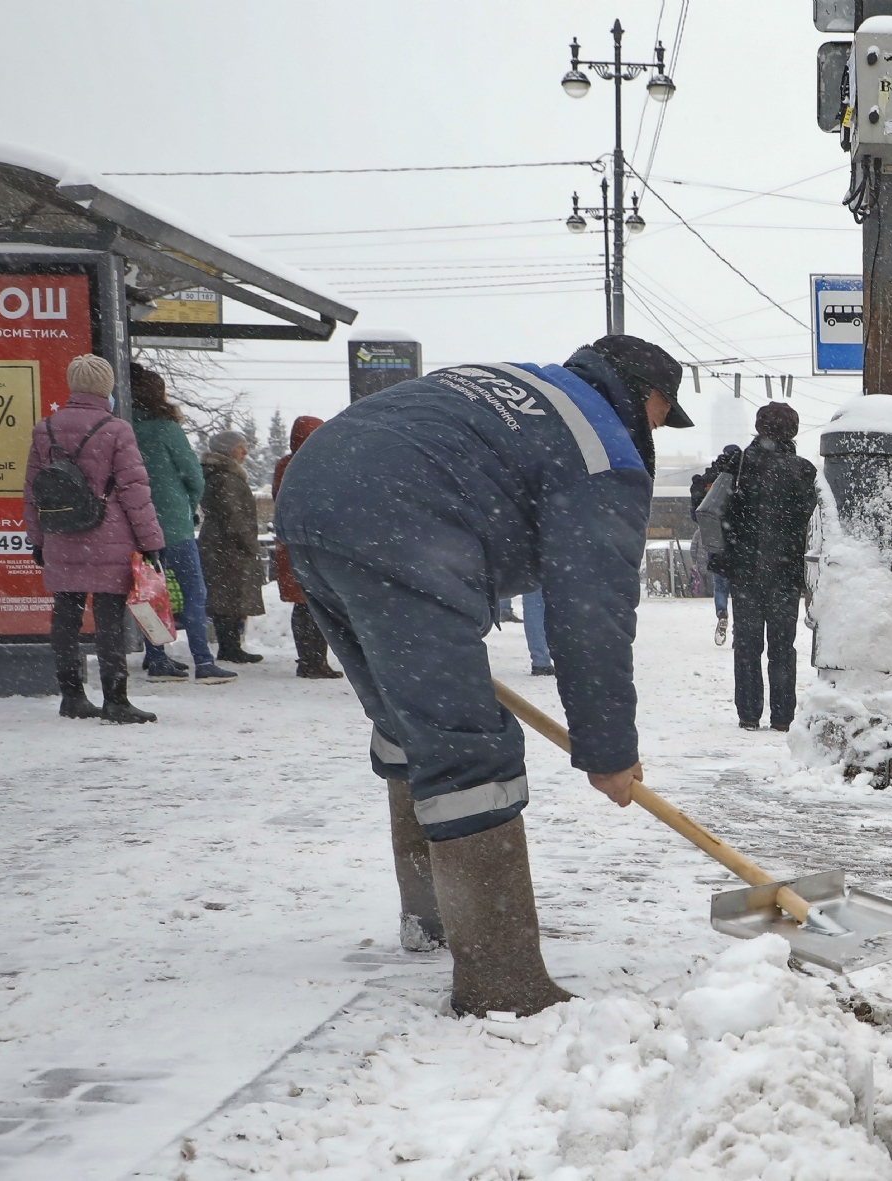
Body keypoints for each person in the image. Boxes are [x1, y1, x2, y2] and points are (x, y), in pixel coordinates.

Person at [273, 334, 693, 1017]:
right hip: (400, 518)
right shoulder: (601, 447)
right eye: (661, 416)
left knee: (409, 719)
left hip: (315, 493)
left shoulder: (528, 389)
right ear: (649, 398)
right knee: (467, 745)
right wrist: (609, 750)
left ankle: (433, 916)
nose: (655, 431)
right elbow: (591, 613)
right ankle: (501, 979)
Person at [23, 354, 167, 724]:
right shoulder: (116, 429)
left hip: (60, 534)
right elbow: (135, 491)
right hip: (110, 538)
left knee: (66, 618)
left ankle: (72, 696)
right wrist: (151, 542)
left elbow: (33, 491)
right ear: (106, 388)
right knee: (109, 622)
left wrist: (37, 539)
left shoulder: (46, 428)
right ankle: (116, 701)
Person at [713, 402, 816, 732]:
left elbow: (708, 509)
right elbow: (813, 525)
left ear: (759, 428)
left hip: (744, 570)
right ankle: (783, 717)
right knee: (782, 647)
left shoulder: (739, 465)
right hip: (785, 573)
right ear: (793, 431)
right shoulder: (803, 470)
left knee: (746, 645)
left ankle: (748, 714)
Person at [129, 364, 234, 684]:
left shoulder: (124, 427)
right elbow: (193, 476)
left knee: (150, 593)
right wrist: (188, 507)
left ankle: (157, 657)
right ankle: (203, 661)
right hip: (175, 526)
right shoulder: (167, 429)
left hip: (138, 527)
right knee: (193, 593)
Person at [272, 416, 342, 679]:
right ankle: (314, 662)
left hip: (289, 543)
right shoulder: (319, 464)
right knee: (315, 606)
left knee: (303, 606)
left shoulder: (284, 465)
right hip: (311, 544)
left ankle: (308, 660)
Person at [199, 430, 266, 664]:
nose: (245, 452)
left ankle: (230, 646)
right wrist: (250, 543)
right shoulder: (226, 478)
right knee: (229, 598)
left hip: (219, 545)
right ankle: (230, 647)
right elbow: (233, 516)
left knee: (226, 598)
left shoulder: (216, 474)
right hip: (228, 548)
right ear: (227, 450)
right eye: (240, 446)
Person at [689, 446, 739, 647]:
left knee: (720, 585)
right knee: (740, 591)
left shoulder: (709, 478)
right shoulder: (742, 476)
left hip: (715, 540)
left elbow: (696, 514)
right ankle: (739, 632)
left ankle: (722, 612)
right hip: (739, 545)